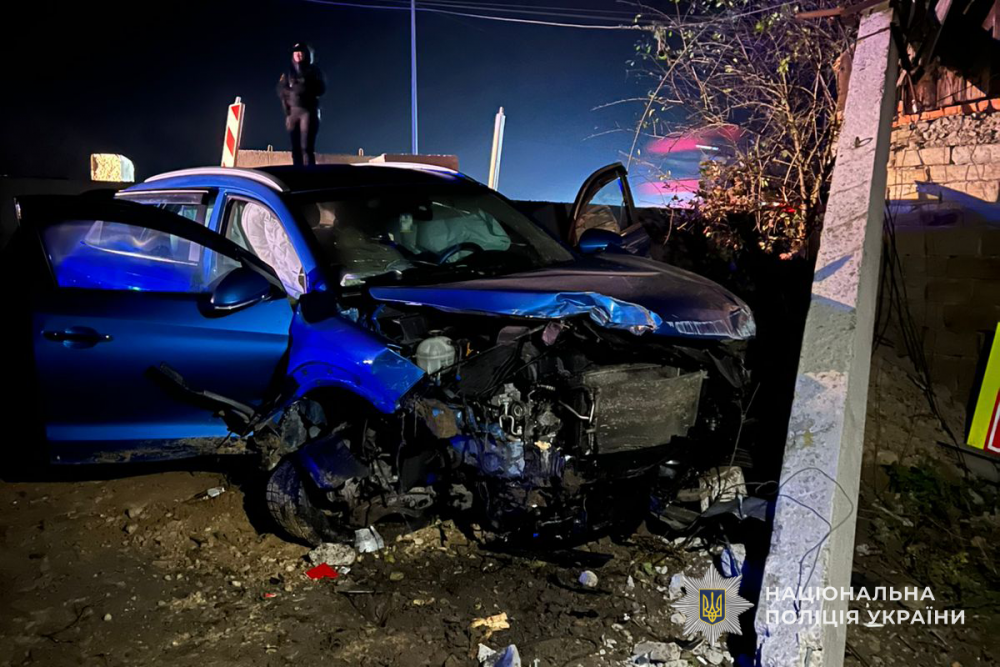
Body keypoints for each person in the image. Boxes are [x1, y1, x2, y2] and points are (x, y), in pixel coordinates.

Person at [277, 43, 326, 166]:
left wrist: (306, 86)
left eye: (301, 52)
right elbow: (280, 90)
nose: (298, 55)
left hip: (308, 112)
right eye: (296, 52)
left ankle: (309, 173)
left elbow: (322, 88)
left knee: (306, 148)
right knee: (295, 149)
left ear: (306, 55)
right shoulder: (288, 72)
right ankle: (297, 172)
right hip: (292, 114)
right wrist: (287, 103)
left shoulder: (314, 71)